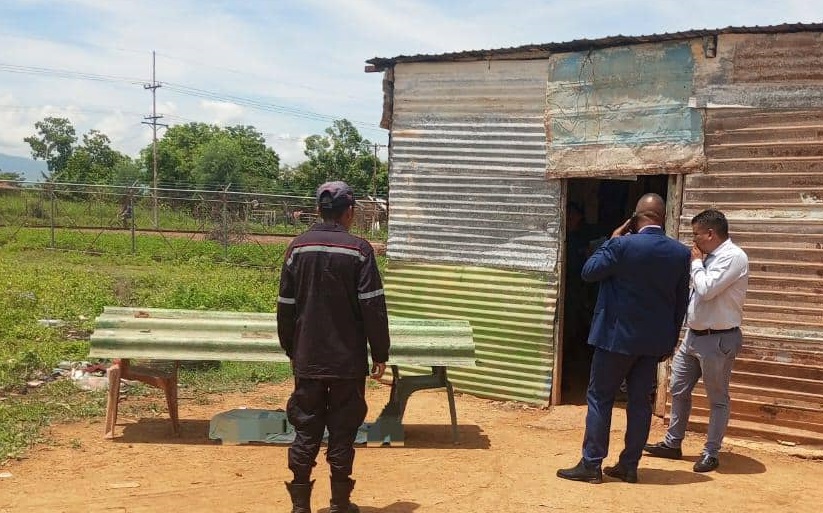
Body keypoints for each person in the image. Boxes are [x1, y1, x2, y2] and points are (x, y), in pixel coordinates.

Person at [557, 193, 690, 484]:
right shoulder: (680, 253)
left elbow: (589, 272)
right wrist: (669, 342)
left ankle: (591, 464)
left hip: (615, 340)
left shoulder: (620, 245)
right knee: (640, 403)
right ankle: (629, 465)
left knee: (600, 398)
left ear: (635, 217)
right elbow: (681, 302)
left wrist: (611, 240)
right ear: (662, 217)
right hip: (652, 344)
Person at [277, 181, 391, 513]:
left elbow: (286, 305)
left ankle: (300, 507)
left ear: (317, 210)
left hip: (308, 358)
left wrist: (291, 349)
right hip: (347, 362)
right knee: (343, 429)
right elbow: (373, 307)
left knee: (306, 427)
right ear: (350, 212)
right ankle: (340, 505)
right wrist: (380, 353)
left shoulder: (297, 248)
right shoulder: (360, 250)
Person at [644, 209, 749, 473]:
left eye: (696, 234)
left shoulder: (733, 257)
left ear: (710, 234)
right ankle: (672, 443)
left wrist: (695, 263)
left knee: (717, 399)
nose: (694, 240)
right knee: (678, 389)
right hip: (693, 336)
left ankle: (711, 452)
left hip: (718, 339)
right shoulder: (709, 257)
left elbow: (706, 289)